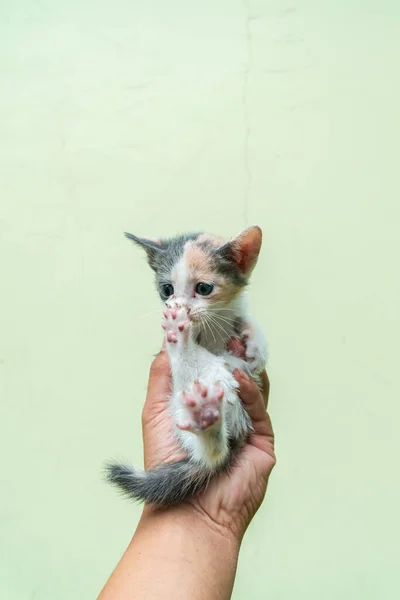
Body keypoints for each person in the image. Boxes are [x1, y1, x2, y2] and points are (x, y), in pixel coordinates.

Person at [98, 339, 275, 600]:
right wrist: (205, 519)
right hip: (202, 435)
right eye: (168, 294)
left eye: (202, 292)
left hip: (226, 428)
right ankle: (210, 438)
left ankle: (211, 438)